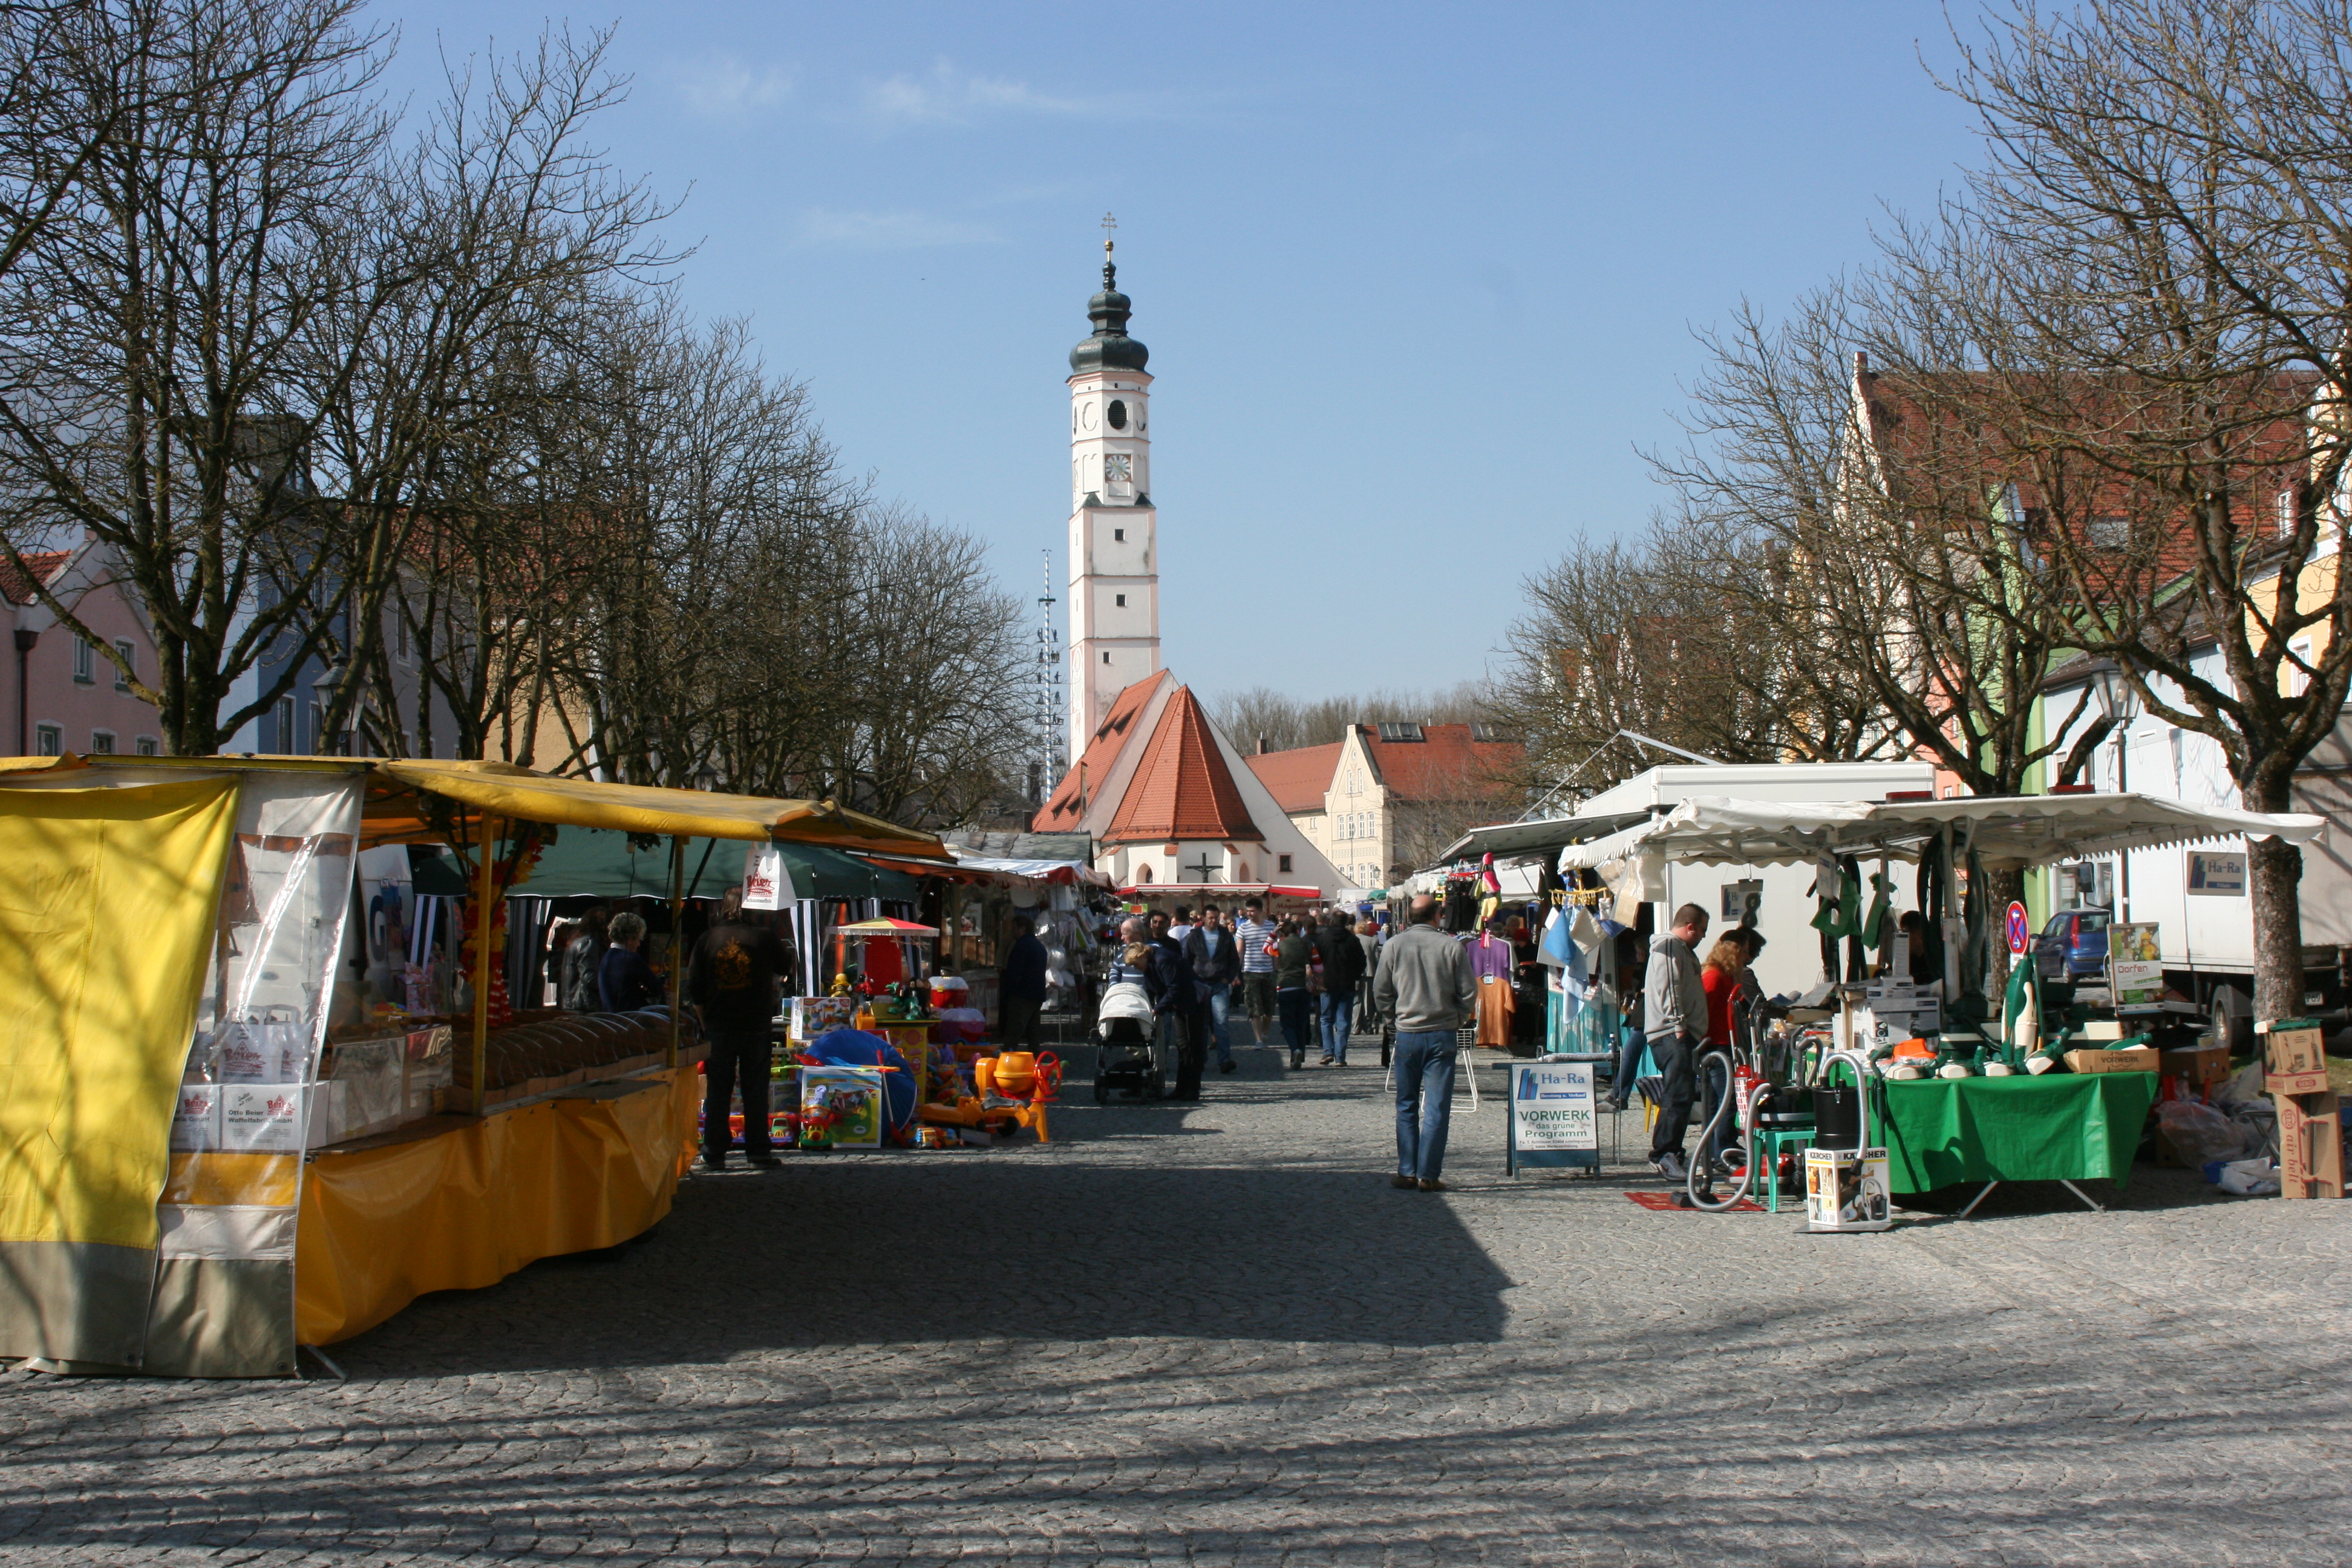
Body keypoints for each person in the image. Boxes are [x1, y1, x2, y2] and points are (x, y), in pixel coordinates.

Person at [1373, 892, 1478, 1191]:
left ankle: (1407, 1170)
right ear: (1437, 916)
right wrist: (1456, 1019)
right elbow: (1469, 992)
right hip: (1442, 1033)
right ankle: (1428, 1175)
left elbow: (1381, 991)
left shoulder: (1394, 945)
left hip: (1408, 1033)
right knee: (1437, 1107)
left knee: (1406, 1104)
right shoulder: (1451, 946)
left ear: (1408, 918)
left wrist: (1393, 1019)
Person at [688, 889, 791, 1172]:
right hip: (755, 1023)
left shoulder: (707, 939)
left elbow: (694, 988)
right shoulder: (764, 936)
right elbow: (785, 966)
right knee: (755, 1090)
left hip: (719, 1024)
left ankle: (713, 1152)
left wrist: (704, 1021)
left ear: (725, 907)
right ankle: (757, 1151)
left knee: (718, 1091)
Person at [1644, 903, 1711, 1181]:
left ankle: (1670, 1153)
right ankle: (1665, 1154)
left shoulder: (1680, 949)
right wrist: (1678, 1023)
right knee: (1678, 1093)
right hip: (1671, 1033)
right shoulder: (1670, 946)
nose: (1704, 937)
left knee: (1681, 1094)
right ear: (1690, 927)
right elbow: (1668, 984)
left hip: (1678, 1032)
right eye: (1703, 930)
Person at [1145, 910, 1206, 1100]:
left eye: (1161, 922)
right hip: (1179, 1003)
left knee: (1193, 1046)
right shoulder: (1151, 954)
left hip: (1192, 1001)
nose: (1158, 925)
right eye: (1154, 922)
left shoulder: (1164, 955)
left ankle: (1192, 1089)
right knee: (1182, 1046)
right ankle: (1182, 1088)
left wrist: (1158, 1009)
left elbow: (1174, 986)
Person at [1184, 904, 1243, 1074]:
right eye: (1211, 917)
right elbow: (1187, 960)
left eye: (1216, 918)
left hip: (1219, 985)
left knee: (1221, 1024)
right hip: (1200, 985)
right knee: (1201, 1026)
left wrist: (1229, 978)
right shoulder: (1194, 936)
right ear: (1203, 918)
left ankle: (1224, 1060)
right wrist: (1191, 981)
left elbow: (1234, 959)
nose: (1214, 921)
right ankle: (1200, 1060)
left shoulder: (1225, 935)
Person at [1314, 909, 1367, 1066]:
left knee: (1326, 1019)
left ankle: (1328, 1052)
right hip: (1347, 983)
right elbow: (1362, 962)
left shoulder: (1322, 939)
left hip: (1327, 984)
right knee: (1344, 1021)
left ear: (1331, 921)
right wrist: (1355, 975)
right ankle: (1340, 1056)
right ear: (1346, 923)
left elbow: (1315, 961)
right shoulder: (1352, 940)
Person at [1001, 913, 1049, 1050]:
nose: (1013, 932)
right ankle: (1035, 1063)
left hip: (1022, 995)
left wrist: (1009, 991)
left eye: (1015, 928)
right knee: (1033, 1034)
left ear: (1023, 929)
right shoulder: (1039, 946)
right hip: (1037, 994)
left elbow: (1015, 972)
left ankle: (1008, 1062)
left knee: (1014, 1032)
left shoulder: (1022, 946)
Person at [1235, 899, 1278, 1045]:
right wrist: (1236, 972)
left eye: (1252, 911)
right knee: (1254, 1007)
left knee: (1269, 1008)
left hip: (1268, 971)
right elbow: (1239, 951)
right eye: (1248, 911)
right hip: (1250, 971)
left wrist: (1276, 970)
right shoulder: (1243, 928)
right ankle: (1258, 1039)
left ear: (1260, 911)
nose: (1249, 914)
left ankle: (1265, 1033)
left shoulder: (1271, 926)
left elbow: (1275, 950)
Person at [1273, 918, 1314, 1069]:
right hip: (1304, 987)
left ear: (1283, 933)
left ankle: (1294, 1049)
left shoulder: (1279, 945)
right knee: (1302, 1023)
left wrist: (1273, 933)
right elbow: (1318, 965)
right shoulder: (1308, 944)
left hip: (1286, 986)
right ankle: (1300, 1055)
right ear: (1298, 931)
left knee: (1288, 1023)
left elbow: (1265, 949)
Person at [598, 911, 659, 1013]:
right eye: (639, 939)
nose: (639, 944)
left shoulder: (606, 958)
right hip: (632, 1020)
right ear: (630, 939)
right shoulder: (632, 959)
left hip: (611, 1019)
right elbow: (656, 988)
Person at [560, 904, 609, 1011]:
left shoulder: (578, 942)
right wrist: (611, 986)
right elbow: (590, 978)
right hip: (584, 1005)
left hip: (574, 1004)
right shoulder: (589, 943)